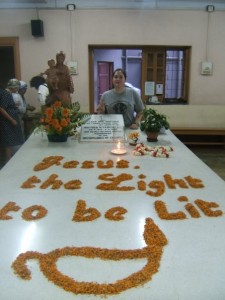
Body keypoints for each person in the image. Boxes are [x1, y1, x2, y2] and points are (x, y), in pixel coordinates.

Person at [0, 86, 24, 165]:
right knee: (9, 141)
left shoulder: (4, 93)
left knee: (9, 141)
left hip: (5, 121)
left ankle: (10, 160)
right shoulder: (5, 94)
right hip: (7, 122)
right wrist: (12, 120)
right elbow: (1, 108)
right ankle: (9, 162)